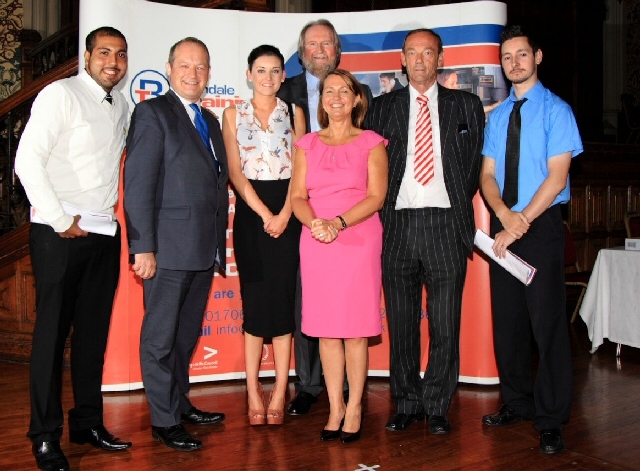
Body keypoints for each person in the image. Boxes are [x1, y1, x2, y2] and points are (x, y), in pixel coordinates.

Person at [14, 26, 132, 471]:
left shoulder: (121, 103)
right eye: (104, 53)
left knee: (92, 336)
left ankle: (88, 422)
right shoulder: (58, 95)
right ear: (86, 56)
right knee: (50, 338)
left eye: (120, 55)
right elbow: (28, 161)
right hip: (58, 232)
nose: (113, 62)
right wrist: (61, 219)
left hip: (103, 233)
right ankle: (44, 436)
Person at [364, 28, 484, 435]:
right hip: (396, 226)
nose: (419, 60)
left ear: (440, 58)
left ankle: (436, 404)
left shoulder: (466, 105)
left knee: (445, 322)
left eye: (427, 53)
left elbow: (470, 171)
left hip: (446, 225)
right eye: (412, 53)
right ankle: (406, 401)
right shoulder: (380, 109)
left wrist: (449, 209)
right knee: (401, 321)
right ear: (402, 59)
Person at [479, 25, 582, 455]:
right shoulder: (498, 116)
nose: (514, 63)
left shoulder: (557, 111)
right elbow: (487, 175)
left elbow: (557, 175)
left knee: (547, 324)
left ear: (537, 57)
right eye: (507, 57)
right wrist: (503, 214)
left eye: (522, 55)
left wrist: (520, 219)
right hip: (505, 227)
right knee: (509, 324)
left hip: (538, 228)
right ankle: (516, 402)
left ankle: (552, 416)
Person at [124, 37, 228, 452]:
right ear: (169, 69)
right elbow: (138, 186)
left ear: (208, 74)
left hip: (202, 250)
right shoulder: (152, 114)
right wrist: (142, 246)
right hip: (166, 251)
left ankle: (179, 403)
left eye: (201, 67)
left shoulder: (210, 121)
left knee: (184, 338)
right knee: (160, 339)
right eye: (185, 65)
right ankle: (163, 421)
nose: (193, 74)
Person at [277, 18, 374, 417]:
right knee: (310, 309)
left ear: (337, 51)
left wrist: (338, 221)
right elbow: (294, 185)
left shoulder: (364, 97)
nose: (319, 50)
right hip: (304, 219)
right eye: (311, 45)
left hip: (354, 228)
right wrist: (312, 220)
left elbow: (373, 180)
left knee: (350, 321)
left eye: (326, 44)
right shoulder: (285, 92)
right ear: (301, 54)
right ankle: (311, 386)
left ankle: (352, 396)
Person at [291, 69, 388, 443]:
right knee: (327, 331)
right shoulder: (306, 145)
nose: (335, 97)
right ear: (322, 100)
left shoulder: (371, 142)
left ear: (356, 99)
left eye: (343, 91)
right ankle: (334, 407)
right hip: (316, 241)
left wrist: (337, 223)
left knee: (355, 331)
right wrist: (317, 223)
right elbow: (298, 197)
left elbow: (376, 196)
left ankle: (356, 407)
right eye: (328, 91)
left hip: (357, 239)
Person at [221, 45, 305, 426]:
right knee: (255, 303)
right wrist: (265, 213)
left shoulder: (296, 114)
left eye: (275, 70)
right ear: (249, 74)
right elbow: (236, 173)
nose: (268, 77)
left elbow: (301, 172)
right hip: (252, 214)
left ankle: (281, 389)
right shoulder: (232, 114)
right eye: (261, 70)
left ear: (283, 75)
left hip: (289, 211)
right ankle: (253, 388)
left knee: (284, 302)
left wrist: (286, 212)